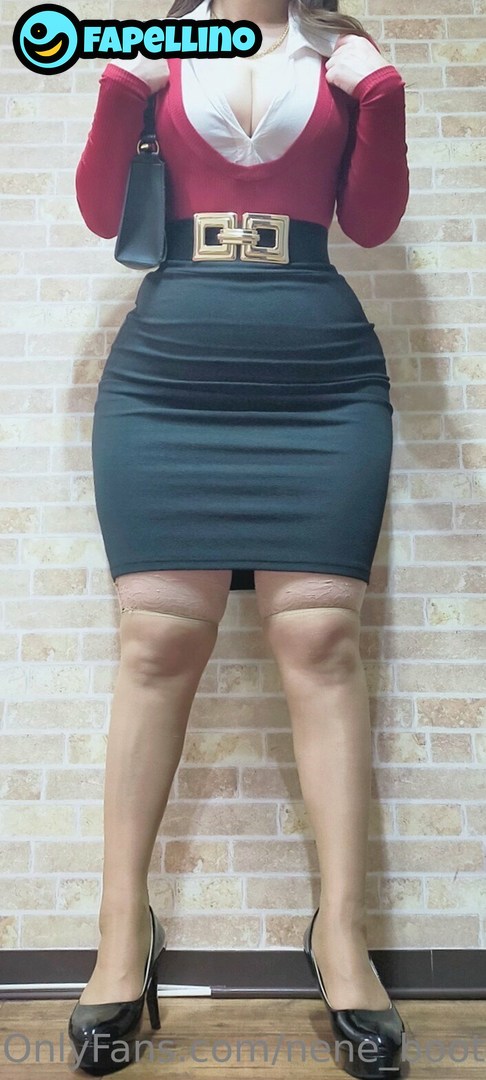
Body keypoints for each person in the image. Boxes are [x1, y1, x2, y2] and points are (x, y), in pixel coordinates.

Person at [68, 1, 409, 1075]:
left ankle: (339, 934)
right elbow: (99, 210)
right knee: (156, 645)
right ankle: (122, 933)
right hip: (169, 375)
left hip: (322, 378)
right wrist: (121, 86)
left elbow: (372, 222)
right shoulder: (156, 52)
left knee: (322, 642)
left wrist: (382, 98)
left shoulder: (343, 54)